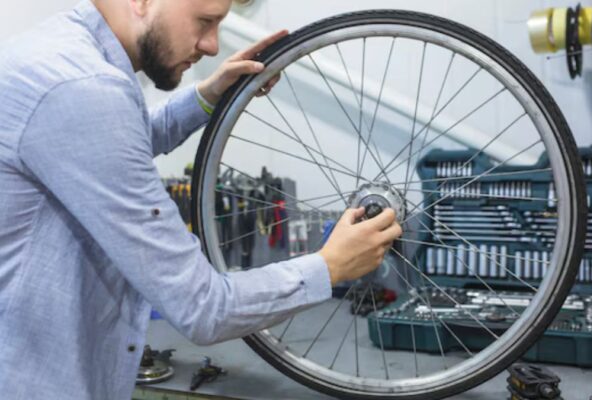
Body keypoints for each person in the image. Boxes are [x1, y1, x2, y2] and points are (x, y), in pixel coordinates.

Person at [0, 0, 403, 398]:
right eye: (205, 21)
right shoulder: (83, 89)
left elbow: (113, 147)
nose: (212, 45)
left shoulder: (61, 54)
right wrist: (328, 267)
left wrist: (207, 96)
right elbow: (202, 307)